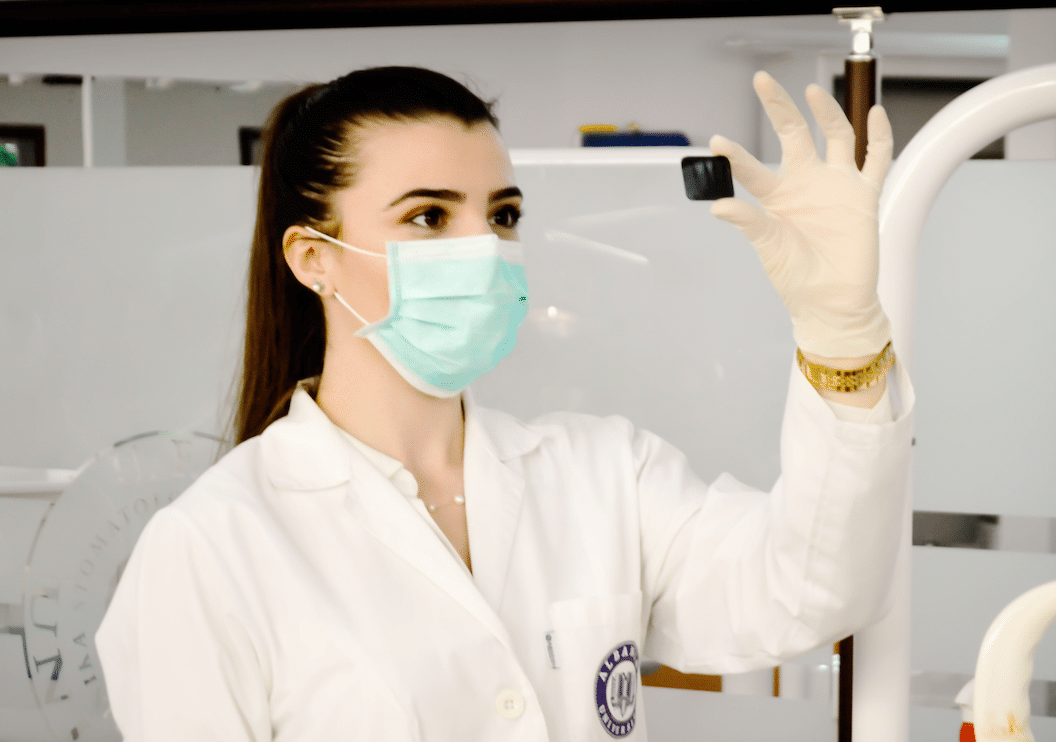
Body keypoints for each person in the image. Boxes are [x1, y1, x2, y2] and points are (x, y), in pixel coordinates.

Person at [95, 65, 914, 741]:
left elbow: (813, 589)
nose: (483, 248)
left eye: (503, 214)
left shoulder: (601, 473)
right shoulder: (211, 548)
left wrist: (841, 339)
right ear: (314, 259)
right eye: (427, 216)